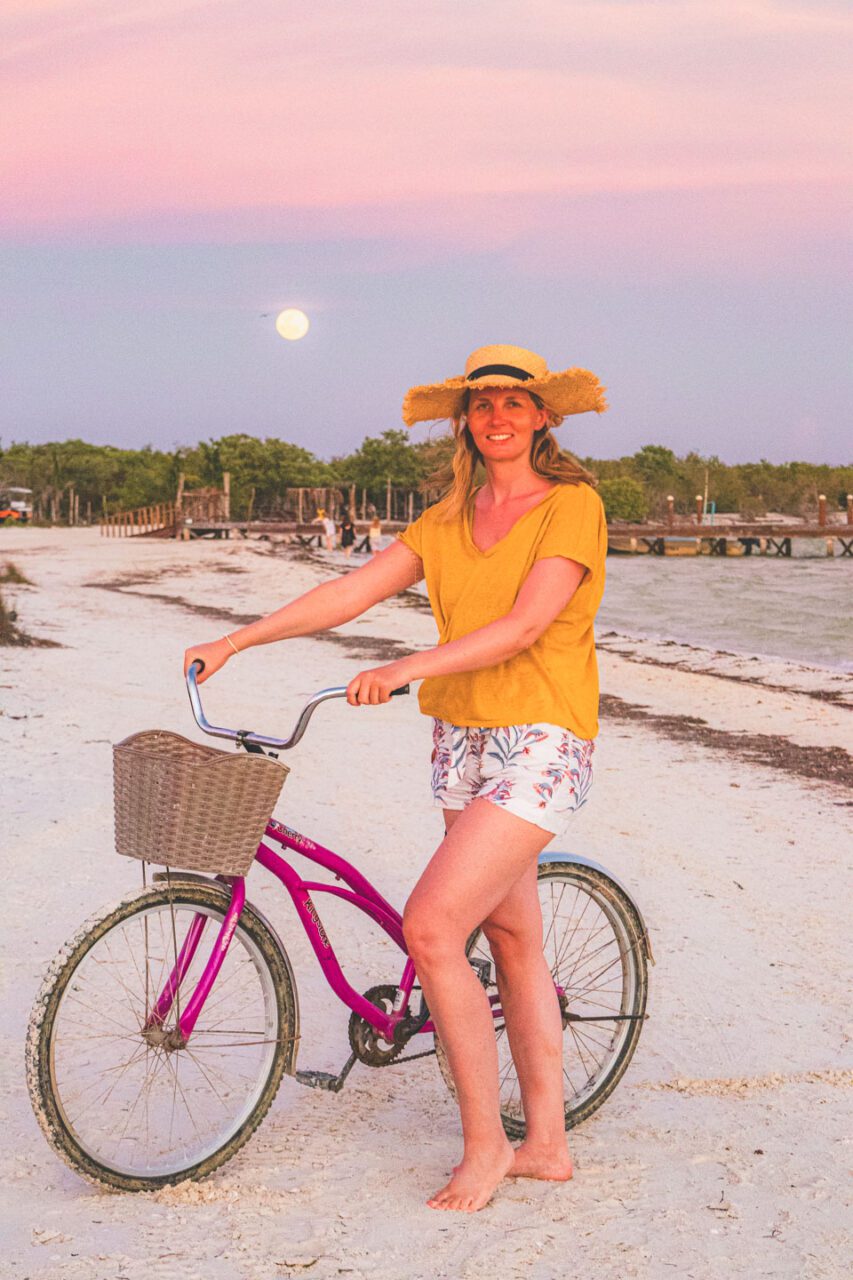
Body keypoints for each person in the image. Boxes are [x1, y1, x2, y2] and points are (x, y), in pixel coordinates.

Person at [184, 343, 608, 1213]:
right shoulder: (446, 519)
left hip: (541, 737)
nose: (496, 418)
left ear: (541, 418)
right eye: (481, 405)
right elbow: (350, 591)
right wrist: (235, 641)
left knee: (431, 929)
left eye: (513, 404)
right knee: (513, 943)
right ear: (465, 421)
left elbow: (528, 625)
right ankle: (548, 1147)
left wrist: (408, 665)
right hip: (461, 739)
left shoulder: (569, 506)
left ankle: (486, 1148)